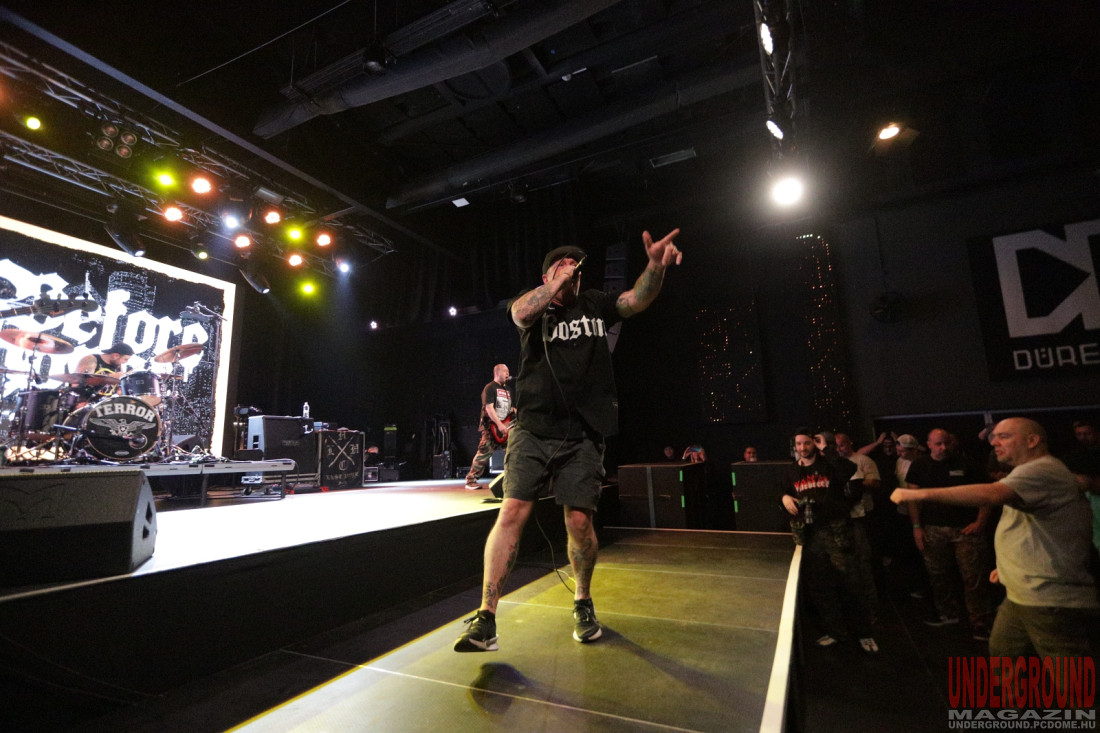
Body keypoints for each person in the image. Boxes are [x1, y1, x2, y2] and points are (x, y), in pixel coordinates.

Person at [454, 228, 682, 652]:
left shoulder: (594, 304)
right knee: (512, 510)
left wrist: (654, 266)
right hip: (533, 429)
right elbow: (520, 314)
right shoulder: (532, 306)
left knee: (578, 521)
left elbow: (636, 300)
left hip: (583, 432)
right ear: (547, 276)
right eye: (563, 265)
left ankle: (582, 600)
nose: (572, 271)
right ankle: (486, 617)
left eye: (576, 266)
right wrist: (554, 284)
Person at [891, 418, 1098, 661]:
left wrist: (920, 494)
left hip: (1047, 597)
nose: (994, 442)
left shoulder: (1040, 470)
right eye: (994, 436)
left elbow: (990, 494)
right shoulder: (1028, 471)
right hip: (1023, 592)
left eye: (1004, 436)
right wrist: (1009, 566)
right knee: (1003, 654)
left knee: (1071, 675)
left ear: (1032, 440)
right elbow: (1032, 528)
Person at [780, 427, 878, 654]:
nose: (803, 448)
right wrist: (783, 497)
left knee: (851, 584)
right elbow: (781, 491)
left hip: (837, 532)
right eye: (799, 444)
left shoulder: (829, 464)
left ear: (814, 443)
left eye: (807, 443)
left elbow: (848, 470)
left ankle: (864, 633)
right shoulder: (792, 470)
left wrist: (827, 449)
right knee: (820, 586)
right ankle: (836, 632)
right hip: (811, 535)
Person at [904, 428, 995, 639]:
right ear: (929, 444)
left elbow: (987, 493)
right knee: (938, 575)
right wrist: (916, 527)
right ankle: (947, 612)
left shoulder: (966, 463)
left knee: (973, 576)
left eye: (946, 443)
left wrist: (980, 521)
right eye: (938, 444)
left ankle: (979, 620)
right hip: (933, 528)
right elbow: (912, 498)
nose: (943, 448)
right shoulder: (920, 465)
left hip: (965, 529)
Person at [464, 364, 514, 489]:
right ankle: (470, 480)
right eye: (505, 371)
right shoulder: (490, 387)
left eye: (508, 372)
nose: (508, 374)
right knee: (483, 454)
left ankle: (513, 479)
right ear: (497, 373)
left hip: (505, 428)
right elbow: (489, 408)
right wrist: (499, 424)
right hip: (492, 428)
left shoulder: (508, 390)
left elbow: (508, 408)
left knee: (513, 452)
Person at [1062, 418, 1100, 554]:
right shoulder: (1073, 455)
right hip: (1084, 499)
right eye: (1079, 434)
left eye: (1087, 433)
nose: (1083, 437)